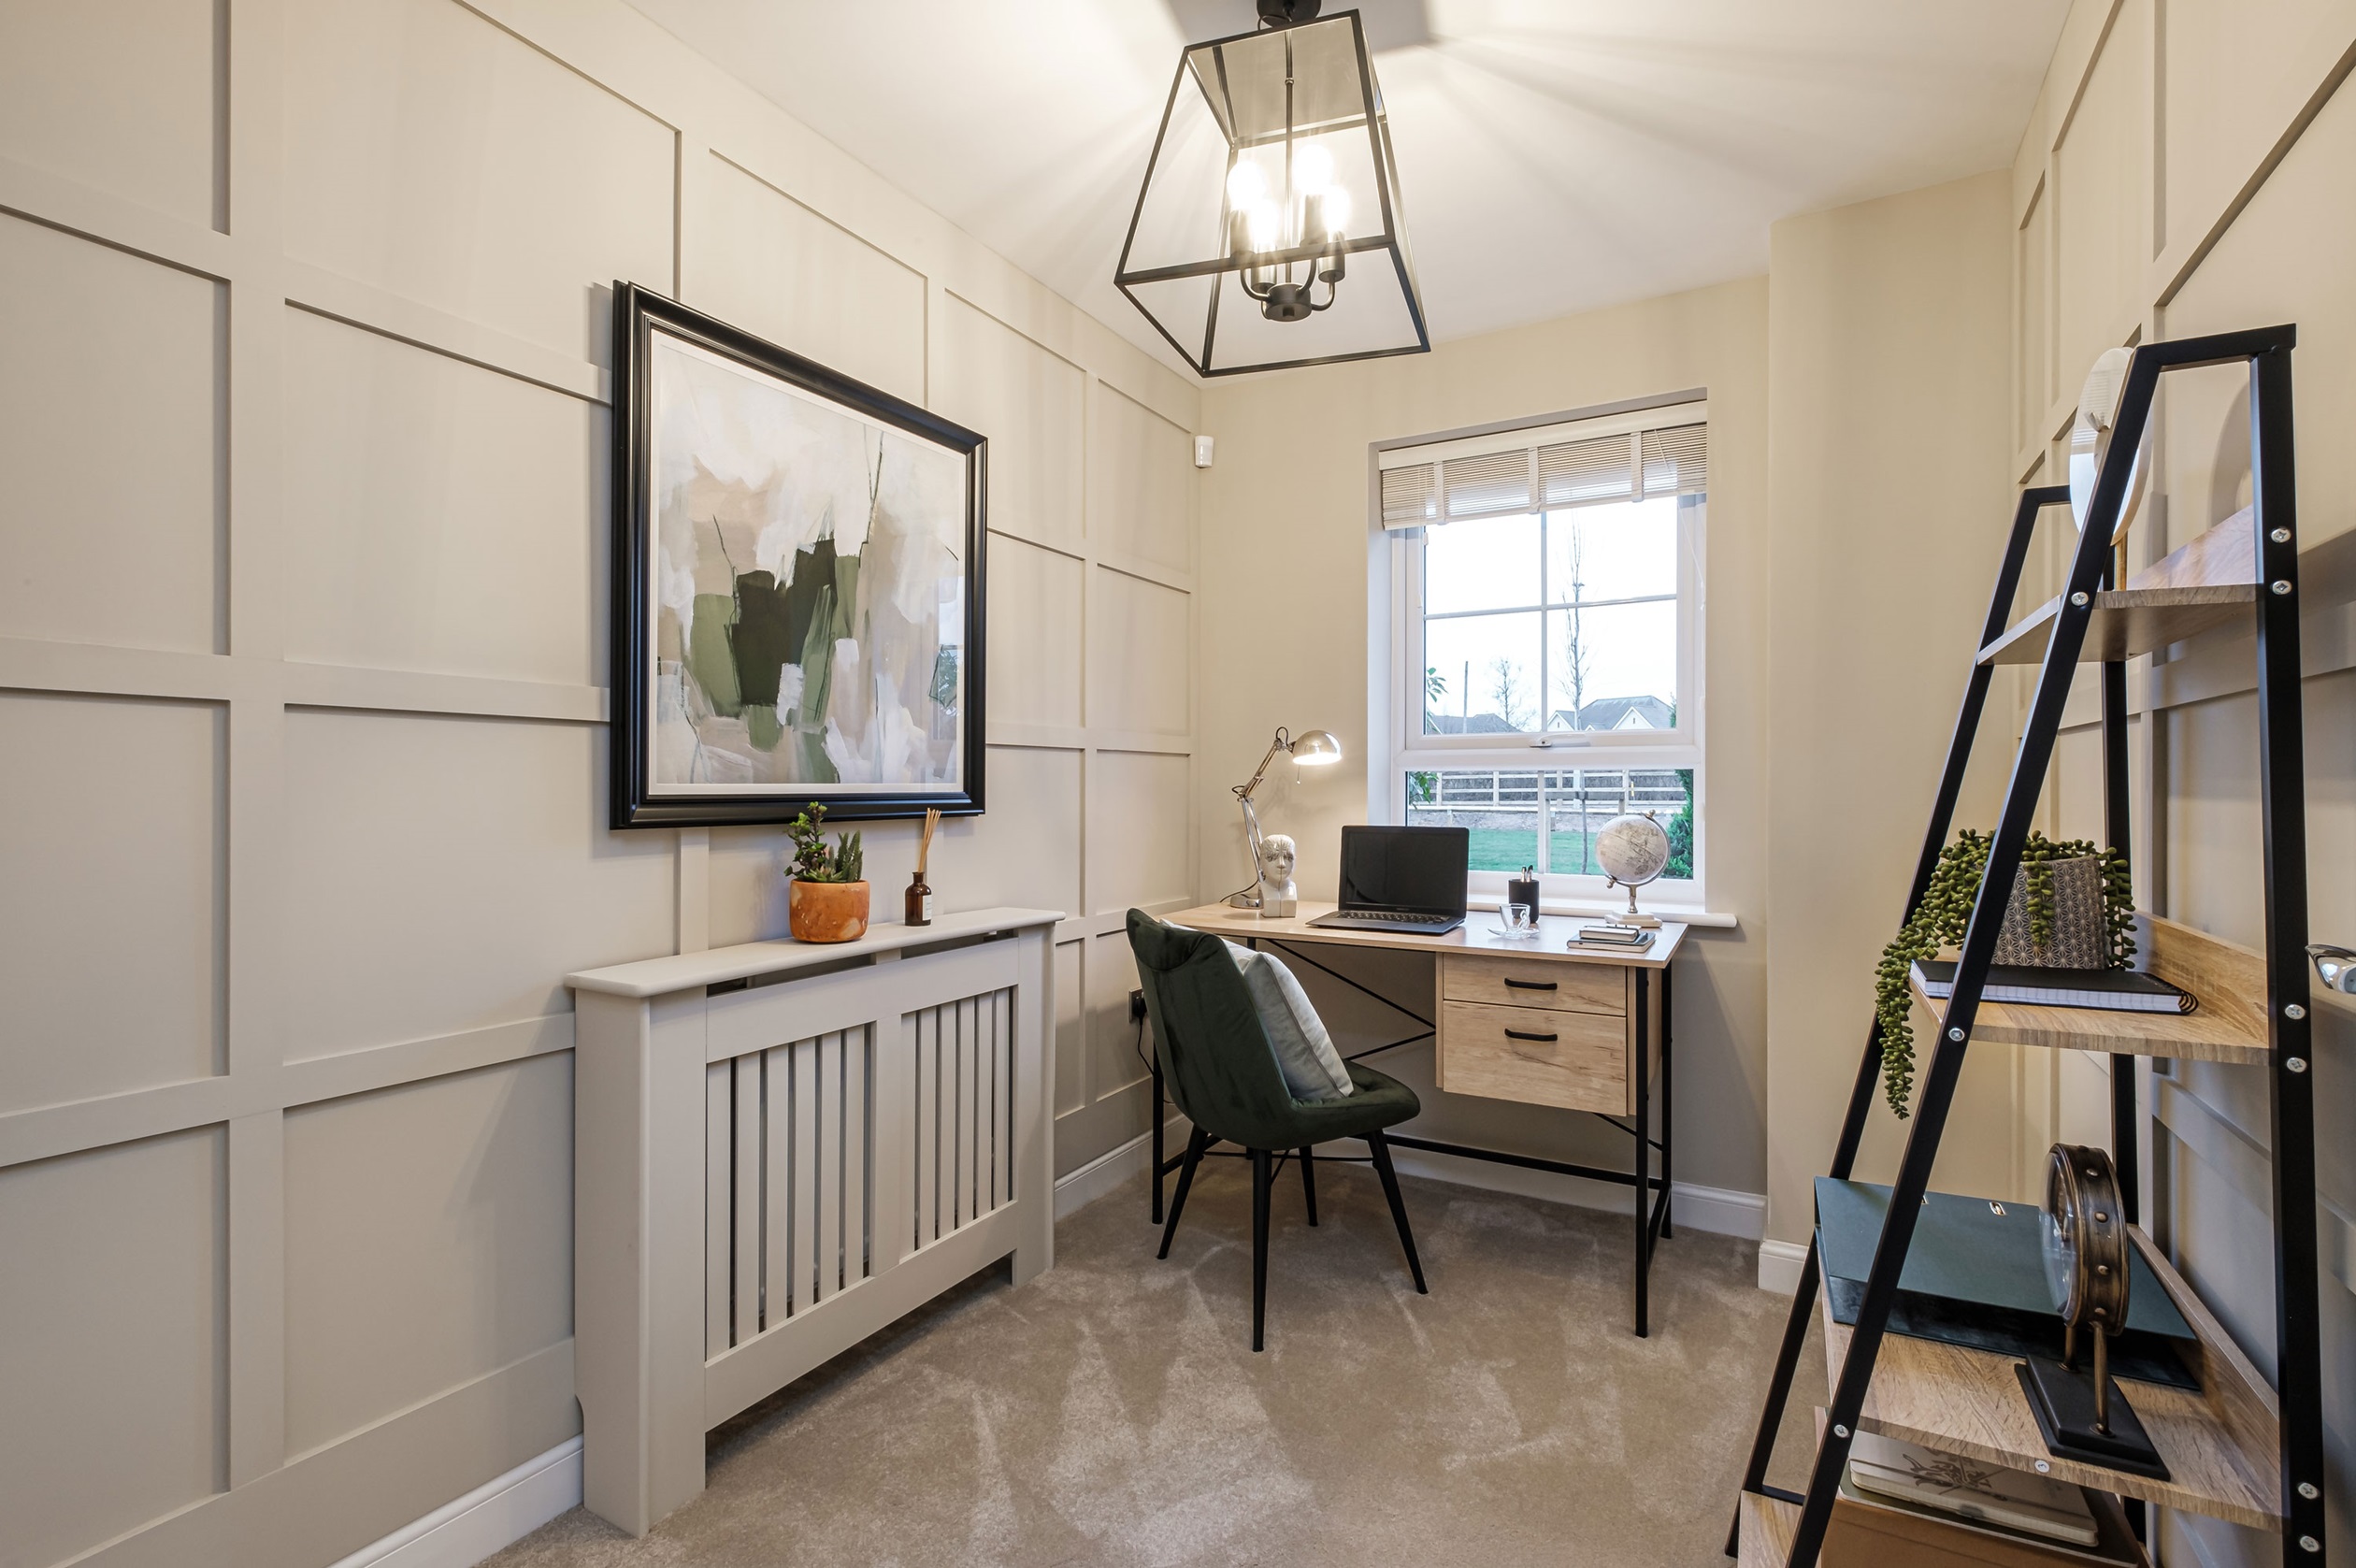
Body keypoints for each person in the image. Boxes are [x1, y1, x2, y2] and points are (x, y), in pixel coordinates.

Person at [1257, 833, 1299, 918]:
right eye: (1272, 858)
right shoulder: (1264, 888)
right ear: (1261, 862)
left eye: (1289, 858)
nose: (1281, 864)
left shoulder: (1292, 889)